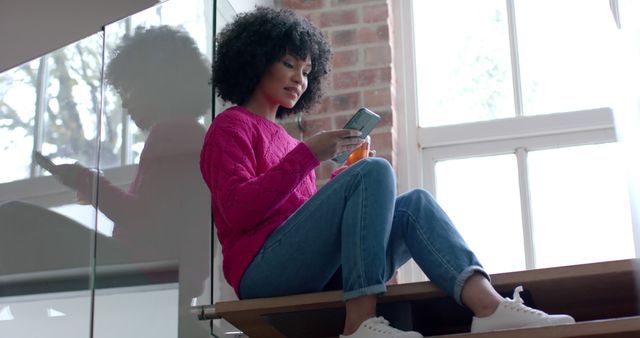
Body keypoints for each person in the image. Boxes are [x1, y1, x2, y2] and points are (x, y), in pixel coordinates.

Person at [200, 7, 575, 338]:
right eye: (288, 64)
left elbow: (294, 218)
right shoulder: (230, 128)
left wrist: (340, 176)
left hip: (307, 272)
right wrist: (310, 155)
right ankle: (360, 324)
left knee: (414, 204)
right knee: (373, 172)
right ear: (256, 58)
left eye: (306, 70)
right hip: (261, 274)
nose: (300, 78)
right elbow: (238, 210)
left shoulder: (284, 139)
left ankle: (489, 307)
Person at [38, 26, 211, 338]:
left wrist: (82, 178)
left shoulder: (173, 133)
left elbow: (144, 219)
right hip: (168, 283)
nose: (124, 103)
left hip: (146, 277)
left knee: (12, 219)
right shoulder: (189, 135)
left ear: (157, 85)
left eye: (129, 89)